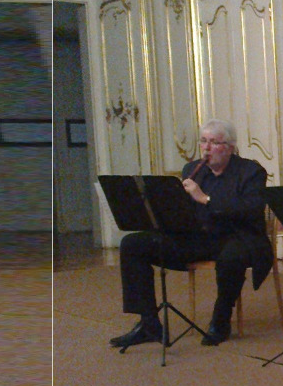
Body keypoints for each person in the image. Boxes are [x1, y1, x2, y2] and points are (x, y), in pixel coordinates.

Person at [108, 119, 273, 348]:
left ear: (230, 147)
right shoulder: (192, 170)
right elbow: (183, 213)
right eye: (203, 141)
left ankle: (221, 319)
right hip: (198, 237)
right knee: (133, 244)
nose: (206, 148)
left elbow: (250, 209)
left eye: (214, 143)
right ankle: (148, 323)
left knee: (231, 258)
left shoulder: (251, 172)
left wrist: (205, 199)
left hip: (238, 235)